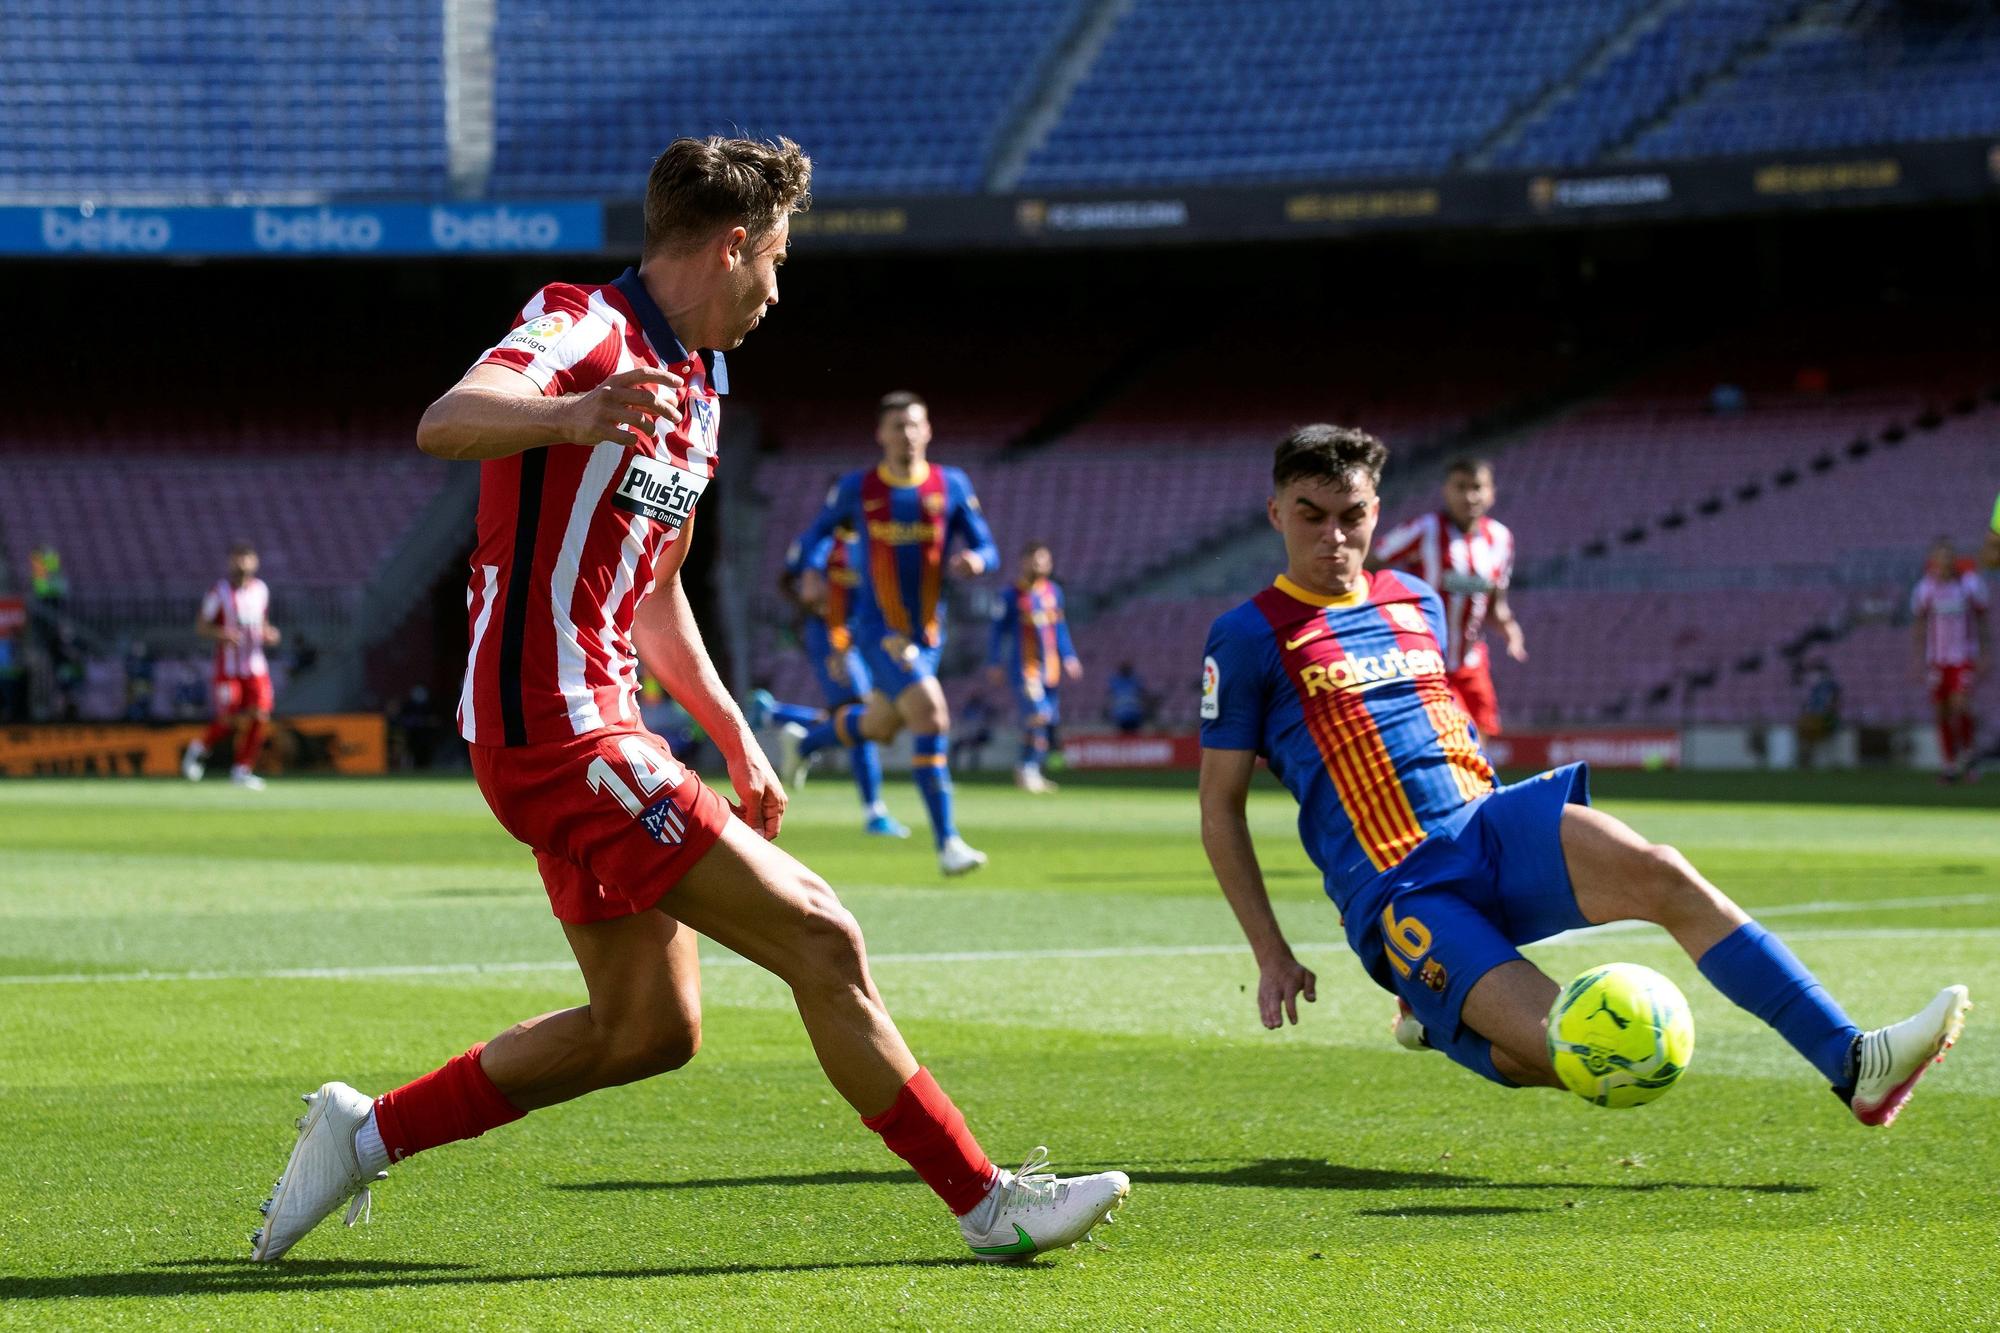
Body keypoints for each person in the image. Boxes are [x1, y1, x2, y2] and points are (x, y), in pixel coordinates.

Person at [249, 136, 1126, 1266]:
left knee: (647, 1029)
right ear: (730, 247)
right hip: (553, 725)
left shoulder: (701, 382)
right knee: (821, 934)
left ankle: (365, 1132)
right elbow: (449, 418)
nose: (777, 289)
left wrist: (732, 734)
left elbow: (654, 590)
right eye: (776, 260)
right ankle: (986, 1201)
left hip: (600, 717)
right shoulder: (583, 327)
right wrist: (569, 415)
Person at [1198, 424, 1968, 1128]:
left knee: (1662, 871)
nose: (1335, 537)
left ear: (1375, 510)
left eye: (1353, 515)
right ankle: (1439, 1016)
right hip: (1403, 886)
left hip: (1491, 824)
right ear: (1275, 513)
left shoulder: (1417, 600)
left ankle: (1852, 1060)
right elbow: (1221, 808)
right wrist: (1270, 949)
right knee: (1581, 1054)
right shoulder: (1246, 637)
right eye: (1311, 515)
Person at [784, 391, 999, 874]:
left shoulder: (952, 485)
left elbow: (988, 546)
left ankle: (805, 744)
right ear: (880, 435)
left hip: (929, 632)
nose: (907, 434)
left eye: (914, 424)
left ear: (928, 431)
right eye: (897, 426)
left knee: (881, 725)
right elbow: (812, 536)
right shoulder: (859, 488)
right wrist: (810, 572)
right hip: (879, 629)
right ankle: (948, 844)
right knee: (932, 716)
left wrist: (977, 560)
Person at [752, 519, 910, 837]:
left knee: (852, 715)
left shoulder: (865, 539)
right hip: (833, 637)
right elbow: (798, 584)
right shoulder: (823, 542)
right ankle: (873, 811)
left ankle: (777, 716)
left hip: (856, 636)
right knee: (862, 715)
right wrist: (814, 608)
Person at [1371, 456, 1525, 737]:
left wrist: (1510, 629)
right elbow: (1371, 561)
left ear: (1491, 493)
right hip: (1426, 657)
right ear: (1445, 490)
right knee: (1447, 736)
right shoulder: (1423, 529)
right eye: (1460, 487)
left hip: (1471, 658)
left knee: (1482, 734)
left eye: (1477, 487)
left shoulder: (1501, 539)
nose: (1469, 496)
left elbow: (1495, 602)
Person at [181, 542, 281, 789]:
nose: (243, 563)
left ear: (255, 561)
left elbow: (263, 623)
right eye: (238, 558)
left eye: (247, 558)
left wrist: (270, 634)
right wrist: (222, 634)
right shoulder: (219, 592)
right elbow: (202, 626)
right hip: (229, 668)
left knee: (261, 715)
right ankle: (200, 747)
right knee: (230, 719)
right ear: (230, 562)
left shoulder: (261, 590)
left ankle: (242, 770)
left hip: (256, 667)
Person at [987, 541, 1080, 794]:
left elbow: (1060, 628)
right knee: (1037, 715)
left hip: (1050, 669)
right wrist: (994, 661)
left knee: (1046, 719)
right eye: (1037, 560)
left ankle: (1033, 770)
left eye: (1045, 561)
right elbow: (997, 631)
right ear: (1024, 562)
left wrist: (1069, 656)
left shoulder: (1053, 592)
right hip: (1025, 669)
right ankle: (1026, 767)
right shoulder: (1011, 595)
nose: (1042, 565)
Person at [1910, 538, 1988, 783]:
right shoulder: (1926, 588)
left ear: (1954, 559)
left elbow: (1982, 620)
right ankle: (1950, 763)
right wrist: (1917, 659)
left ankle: (1968, 755)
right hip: (1937, 659)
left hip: (1963, 656)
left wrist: (1987, 653)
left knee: (1960, 703)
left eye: (1948, 556)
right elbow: (1920, 624)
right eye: (1940, 557)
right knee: (1942, 711)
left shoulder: (1969, 585)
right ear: (1933, 561)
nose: (1944, 561)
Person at [1794, 661, 1841, 770]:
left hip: (1824, 716)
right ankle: (1807, 763)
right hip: (1813, 716)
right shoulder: (1815, 686)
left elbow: (1834, 701)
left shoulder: (1830, 685)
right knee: (1810, 741)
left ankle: (1830, 762)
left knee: (1827, 740)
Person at [1103, 662, 1152, 735]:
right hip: (1120, 715)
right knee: (1123, 736)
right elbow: (1110, 696)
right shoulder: (1115, 681)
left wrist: (1145, 708)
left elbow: (1143, 695)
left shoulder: (1136, 680)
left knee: (1135, 736)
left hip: (1135, 714)